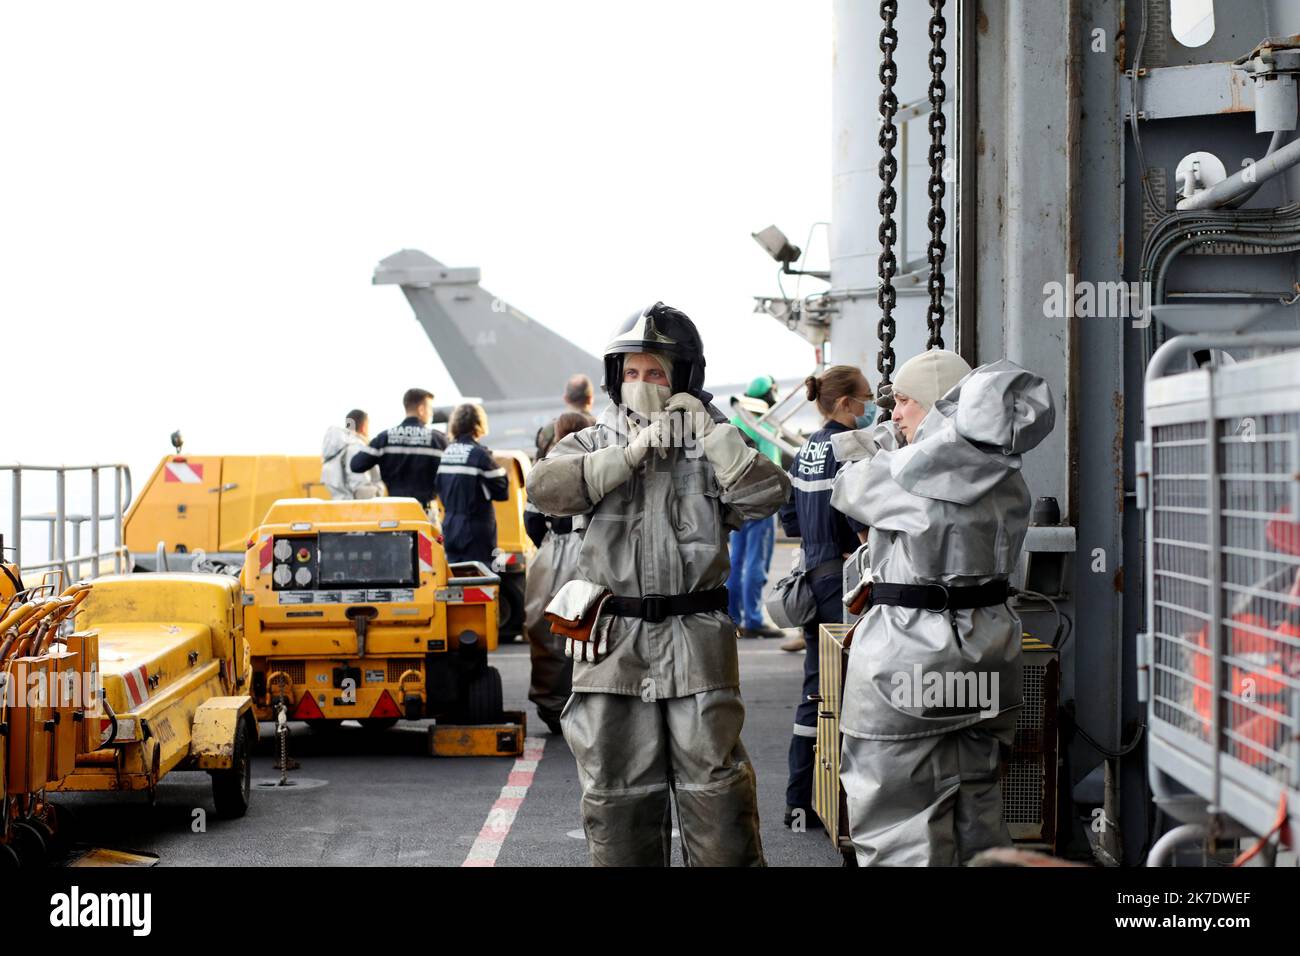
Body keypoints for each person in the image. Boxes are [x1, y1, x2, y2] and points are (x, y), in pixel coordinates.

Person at [525, 302, 791, 867]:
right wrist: (625, 457)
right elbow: (545, 489)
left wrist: (718, 439)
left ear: (685, 379)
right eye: (632, 372)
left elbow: (769, 495)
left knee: (718, 799)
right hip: (612, 645)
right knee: (616, 798)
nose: (642, 384)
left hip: (695, 643)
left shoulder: (713, 446)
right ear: (615, 376)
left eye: (657, 372)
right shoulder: (594, 443)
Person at [829, 350, 1054, 866]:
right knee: (978, 808)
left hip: (910, 663)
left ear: (937, 408)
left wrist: (883, 444)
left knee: (898, 821)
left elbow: (848, 485)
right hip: (990, 656)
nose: (894, 413)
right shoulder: (1008, 477)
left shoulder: (908, 479)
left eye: (904, 401)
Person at [776, 364, 874, 830]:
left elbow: (790, 521)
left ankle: (801, 800)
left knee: (816, 689)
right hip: (843, 580)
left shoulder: (805, 451)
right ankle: (847, 803)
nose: (871, 406)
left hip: (811, 578)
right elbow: (862, 520)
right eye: (866, 398)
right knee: (856, 688)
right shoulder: (848, 448)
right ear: (843, 403)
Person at [523, 410, 594, 735]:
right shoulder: (599, 457)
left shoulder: (546, 466)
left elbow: (532, 522)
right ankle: (596, 703)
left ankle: (553, 705)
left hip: (557, 549)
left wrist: (552, 544)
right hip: (594, 550)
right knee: (596, 630)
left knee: (547, 629)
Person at [727, 375, 785, 638]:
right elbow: (774, 470)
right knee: (756, 563)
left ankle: (733, 619)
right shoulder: (764, 425)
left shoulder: (736, 421)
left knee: (735, 562)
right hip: (762, 504)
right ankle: (753, 618)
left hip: (736, 502)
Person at [435, 403, 510, 565]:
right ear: (479, 424)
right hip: (476, 532)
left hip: (450, 527)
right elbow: (502, 490)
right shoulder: (480, 455)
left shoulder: (447, 453)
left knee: (456, 578)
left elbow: (438, 487)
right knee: (481, 578)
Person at [350, 388, 447, 506]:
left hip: (397, 513)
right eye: (430, 409)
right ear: (421, 410)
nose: (431, 413)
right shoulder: (437, 440)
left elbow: (356, 465)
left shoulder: (384, 438)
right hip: (425, 513)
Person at [320, 409, 385, 499]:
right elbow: (362, 489)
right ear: (364, 427)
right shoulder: (356, 447)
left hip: (339, 506)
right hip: (357, 509)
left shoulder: (336, 450)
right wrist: (378, 491)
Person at [534, 374, 595, 460]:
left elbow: (536, 465)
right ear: (590, 399)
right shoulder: (600, 428)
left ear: (565, 398)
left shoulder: (549, 429)